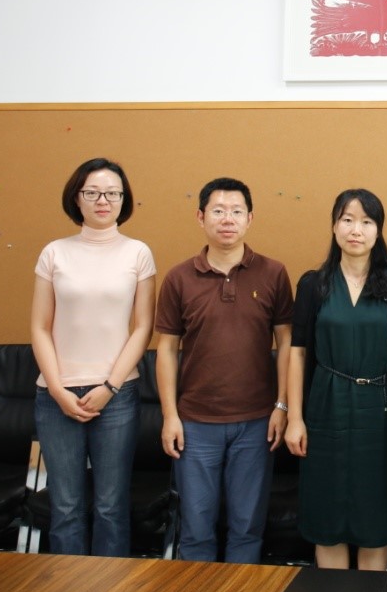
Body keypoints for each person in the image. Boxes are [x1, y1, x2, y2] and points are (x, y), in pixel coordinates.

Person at [155, 176, 294, 563]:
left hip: (257, 422)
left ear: (250, 218)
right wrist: (170, 415)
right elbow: (165, 349)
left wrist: (282, 406)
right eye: (218, 211)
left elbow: (287, 344)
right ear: (201, 217)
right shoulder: (179, 278)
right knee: (196, 528)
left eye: (236, 211)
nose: (227, 219)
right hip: (195, 423)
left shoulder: (273, 273)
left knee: (247, 528)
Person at [30, 157, 156, 557]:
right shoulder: (54, 253)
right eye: (93, 193)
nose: (104, 201)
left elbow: (143, 328)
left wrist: (109, 386)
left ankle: (111, 588)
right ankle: (69, 587)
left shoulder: (138, 253)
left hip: (117, 396)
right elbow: (40, 327)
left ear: (124, 199)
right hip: (56, 397)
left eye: (113, 193)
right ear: (77, 198)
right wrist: (57, 390)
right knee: (65, 507)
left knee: (110, 506)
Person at [285, 188, 387, 570]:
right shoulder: (313, 284)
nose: (356, 230)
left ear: (378, 230)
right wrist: (295, 417)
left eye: (366, 221)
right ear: (334, 226)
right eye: (347, 220)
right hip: (324, 407)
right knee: (327, 517)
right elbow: (298, 352)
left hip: (380, 411)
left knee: (375, 516)